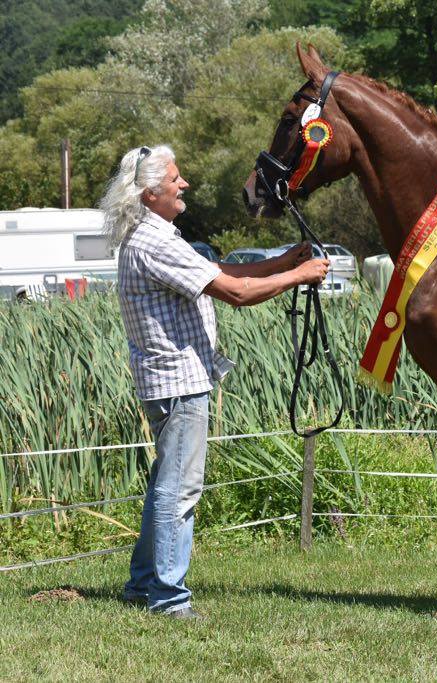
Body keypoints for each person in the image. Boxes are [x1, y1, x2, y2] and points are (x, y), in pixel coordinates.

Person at [99, 145, 329, 619]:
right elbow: (237, 294)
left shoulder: (151, 236)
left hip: (168, 380)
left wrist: (285, 261)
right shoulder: (156, 242)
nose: (184, 185)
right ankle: (168, 597)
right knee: (179, 490)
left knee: (166, 483)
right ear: (151, 192)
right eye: (177, 179)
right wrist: (300, 274)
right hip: (179, 382)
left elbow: (221, 273)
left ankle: (143, 585)